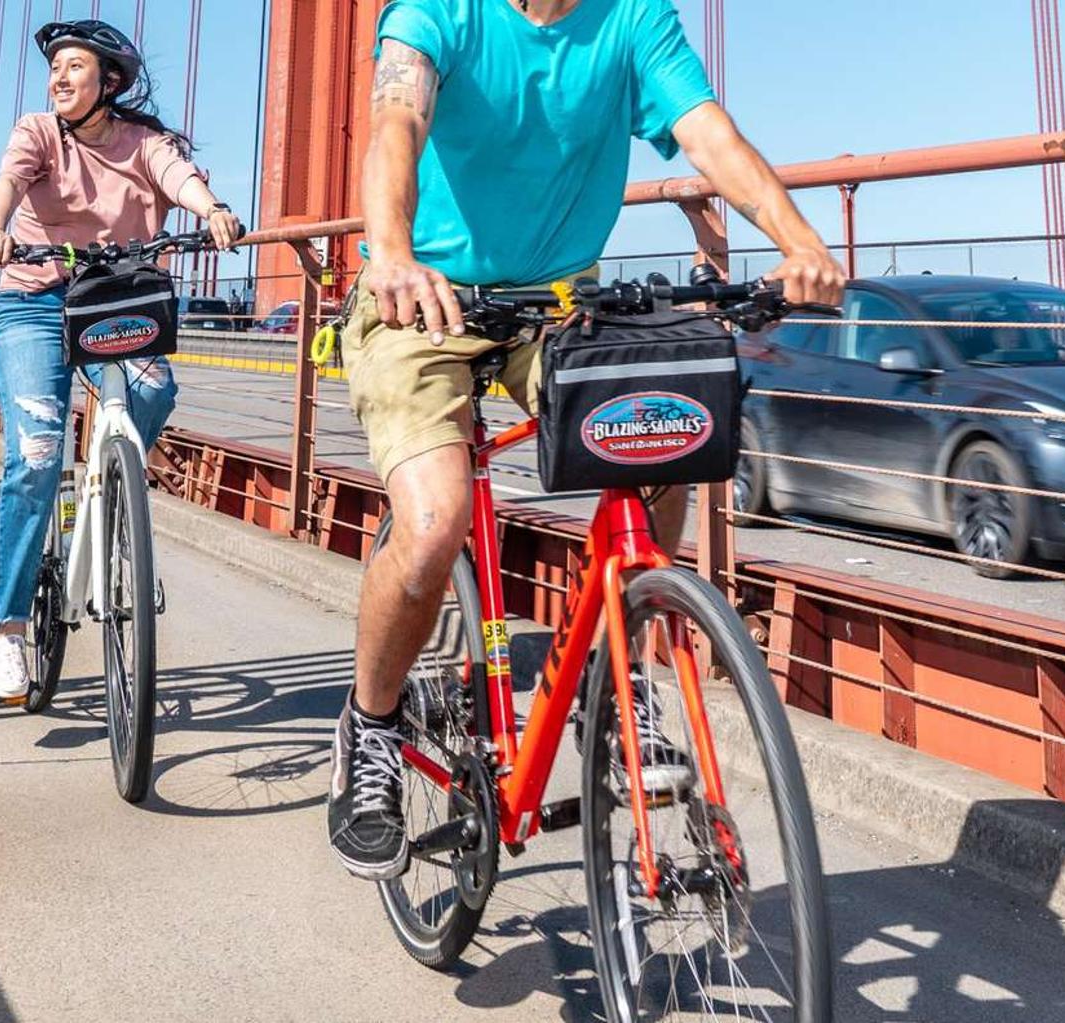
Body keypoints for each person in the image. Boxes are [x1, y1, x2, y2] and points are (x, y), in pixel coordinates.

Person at [328, 0, 846, 881]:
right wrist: (389, 252)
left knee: (665, 426)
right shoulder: (437, 11)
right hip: (419, 296)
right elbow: (397, 121)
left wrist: (798, 239)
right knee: (433, 522)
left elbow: (707, 133)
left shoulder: (634, 17)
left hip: (557, 302)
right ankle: (370, 728)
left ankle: (615, 680)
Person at [0, 19, 243, 701]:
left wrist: (212, 210)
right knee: (36, 454)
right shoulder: (38, 132)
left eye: (75, 68)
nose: (59, 78)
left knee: (153, 391)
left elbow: (179, 178)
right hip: (33, 302)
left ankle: (112, 491)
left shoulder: (145, 145)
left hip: (112, 302)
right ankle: (7, 629)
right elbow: (9, 182)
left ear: (110, 83)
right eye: (55, 67)